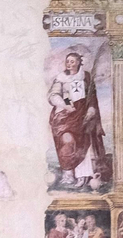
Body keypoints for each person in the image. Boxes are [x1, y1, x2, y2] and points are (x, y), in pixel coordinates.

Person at [47, 50, 110, 191]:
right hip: (65, 115)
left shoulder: (85, 77)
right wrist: (66, 105)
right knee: (66, 142)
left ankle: (83, 175)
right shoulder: (61, 78)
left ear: (78, 63)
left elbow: (91, 96)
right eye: (67, 61)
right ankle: (68, 174)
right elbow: (54, 95)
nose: (69, 64)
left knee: (84, 143)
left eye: (72, 61)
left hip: (82, 114)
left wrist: (91, 109)